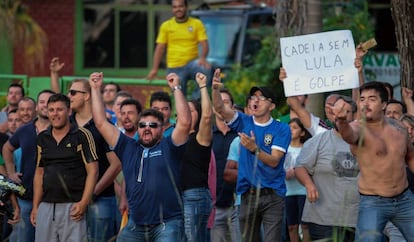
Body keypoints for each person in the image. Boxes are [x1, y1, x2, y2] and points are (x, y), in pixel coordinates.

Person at [89, 71, 191, 241]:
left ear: (162, 129)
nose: (147, 128)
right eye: (142, 125)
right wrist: (95, 89)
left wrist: (176, 88)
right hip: (135, 224)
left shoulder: (170, 146)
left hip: (167, 223)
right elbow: (100, 122)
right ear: (138, 128)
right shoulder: (127, 147)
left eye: (153, 125)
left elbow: (185, 122)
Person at [212, 68, 291, 242]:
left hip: (273, 196)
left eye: (261, 98)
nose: (255, 101)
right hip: (248, 195)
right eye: (253, 98)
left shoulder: (281, 129)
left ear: (271, 105)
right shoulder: (244, 121)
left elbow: (274, 161)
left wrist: (255, 149)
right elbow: (219, 108)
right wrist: (215, 90)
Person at [332, 81, 414, 241]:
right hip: (373, 201)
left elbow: (410, 155)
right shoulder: (358, 128)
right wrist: (342, 122)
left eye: (372, 99)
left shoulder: (400, 128)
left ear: (384, 104)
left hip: (405, 198)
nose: (365, 103)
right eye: (362, 99)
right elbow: (349, 135)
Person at [30, 93, 98, 241]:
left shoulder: (82, 135)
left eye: (59, 109)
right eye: (51, 110)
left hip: (73, 206)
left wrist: (84, 202)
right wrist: (36, 206)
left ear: (69, 111)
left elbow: (93, 171)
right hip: (46, 206)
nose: (55, 114)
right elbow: (39, 173)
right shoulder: (42, 138)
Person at [295, 95, 359, 241]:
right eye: (337, 112)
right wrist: (309, 184)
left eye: (346, 112)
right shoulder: (319, 140)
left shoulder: (365, 141)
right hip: (323, 218)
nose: (341, 116)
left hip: (358, 219)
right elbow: (300, 167)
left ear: (355, 115)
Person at [67, 79, 121, 242]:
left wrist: (92, 193)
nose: (69, 96)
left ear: (87, 96)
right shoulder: (66, 125)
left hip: (101, 199)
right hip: (70, 200)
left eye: (73, 92)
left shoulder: (103, 125)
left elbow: (116, 164)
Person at [3, 89, 55, 242]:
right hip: (25, 198)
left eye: (49, 101)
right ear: (37, 107)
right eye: (42, 102)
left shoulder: (61, 130)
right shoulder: (25, 130)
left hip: (51, 200)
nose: (45, 105)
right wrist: (11, 172)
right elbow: (7, 148)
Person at [146, 0, 211, 99]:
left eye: (180, 6)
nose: (178, 9)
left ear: (186, 7)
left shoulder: (196, 23)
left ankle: (194, 101)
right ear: (172, 9)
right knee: (179, 97)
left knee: (207, 69)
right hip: (174, 67)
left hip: (192, 64)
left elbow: (204, 44)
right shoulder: (166, 26)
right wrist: (154, 69)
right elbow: (160, 48)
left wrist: (203, 58)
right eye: (175, 7)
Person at [181, 72, 213, 242]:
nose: (186, 113)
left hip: (194, 195)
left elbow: (208, 116)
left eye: (190, 110)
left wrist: (202, 87)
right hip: (175, 197)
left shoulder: (201, 137)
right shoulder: (174, 137)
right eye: (183, 110)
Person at [210, 89, 241, 242]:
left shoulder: (242, 135)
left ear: (233, 107)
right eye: (218, 101)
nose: (221, 104)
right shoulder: (205, 136)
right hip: (214, 206)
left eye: (226, 101)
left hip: (239, 202)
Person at [284, 118, 311, 242]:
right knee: (291, 226)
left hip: (304, 191)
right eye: (289, 128)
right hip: (288, 191)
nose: (291, 130)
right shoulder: (282, 149)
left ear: (302, 132)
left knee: (305, 225)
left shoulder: (307, 148)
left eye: (294, 128)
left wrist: (296, 171)